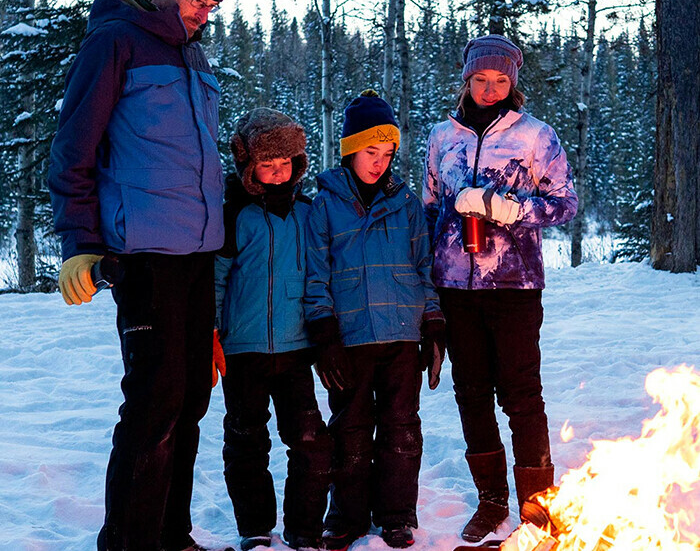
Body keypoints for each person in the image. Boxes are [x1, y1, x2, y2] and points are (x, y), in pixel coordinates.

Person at [48, 0, 230, 550]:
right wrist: (79, 240)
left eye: (213, 1)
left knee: (192, 402)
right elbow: (73, 148)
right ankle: (127, 541)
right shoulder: (116, 42)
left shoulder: (195, 59)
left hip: (197, 256)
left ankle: (171, 535)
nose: (205, 9)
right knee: (154, 403)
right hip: (144, 257)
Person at [422, 34, 578, 544]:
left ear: (513, 83)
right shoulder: (442, 138)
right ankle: (491, 502)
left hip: (514, 285)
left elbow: (566, 203)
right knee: (471, 394)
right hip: (454, 288)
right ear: (466, 80)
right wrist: (427, 282)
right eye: (481, 80)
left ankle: (537, 508)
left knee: (520, 395)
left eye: (500, 81)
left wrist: (512, 210)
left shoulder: (535, 136)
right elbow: (429, 210)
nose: (490, 90)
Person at [304, 90, 446, 551]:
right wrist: (323, 333)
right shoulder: (323, 205)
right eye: (370, 151)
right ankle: (346, 515)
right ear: (349, 149)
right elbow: (315, 273)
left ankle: (397, 513)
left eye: (387, 153)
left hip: (403, 335)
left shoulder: (405, 204)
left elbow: (423, 267)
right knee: (350, 427)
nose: (379, 162)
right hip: (350, 337)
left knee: (402, 427)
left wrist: (434, 323)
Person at [214, 108, 333, 551]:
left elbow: (323, 274)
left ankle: (305, 530)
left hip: (296, 348)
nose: (279, 173)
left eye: (287, 164)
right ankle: (256, 529)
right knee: (246, 441)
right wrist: (212, 333)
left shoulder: (308, 213)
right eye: (268, 164)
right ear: (249, 168)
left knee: (309, 441)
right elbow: (217, 279)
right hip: (242, 349)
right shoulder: (234, 216)